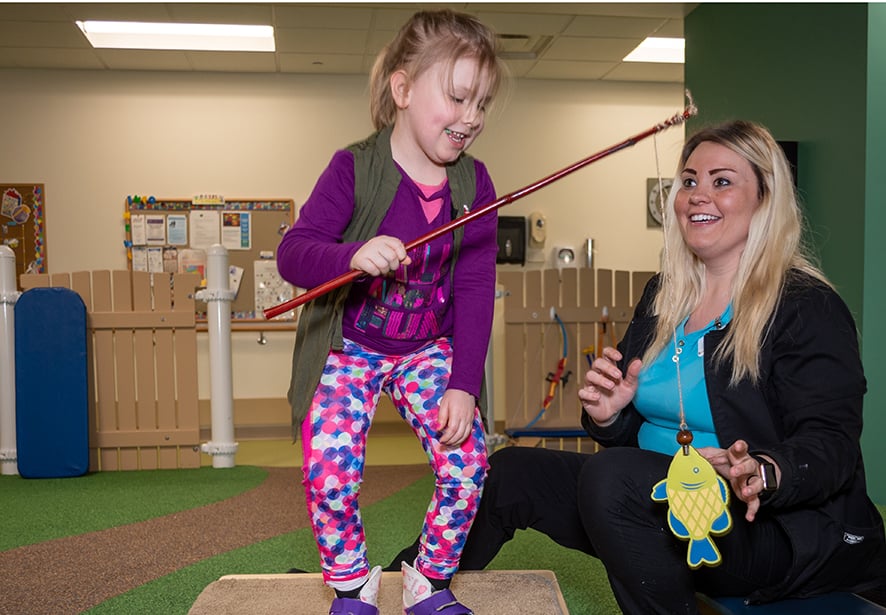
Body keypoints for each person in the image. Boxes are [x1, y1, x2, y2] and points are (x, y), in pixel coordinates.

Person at [389, 120, 886, 613]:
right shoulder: (665, 295)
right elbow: (630, 430)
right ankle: (396, 588)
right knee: (510, 471)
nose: (697, 195)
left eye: (722, 181)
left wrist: (765, 469)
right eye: (689, 180)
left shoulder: (805, 306)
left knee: (615, 477)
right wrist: (611, 416)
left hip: (768, 528)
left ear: (765, 199)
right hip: (658, 502)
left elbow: (831, 446)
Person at [276, 9, 505, 615]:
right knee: (330, 471)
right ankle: (353, 587)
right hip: (349, 347)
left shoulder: (475, 185)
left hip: (426, 349)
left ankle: (428, 580)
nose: (471, 117)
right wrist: (352, 254)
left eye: (482, 103)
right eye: (457, 97)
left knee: (468, 465)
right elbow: (293, 253)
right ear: (402, 90)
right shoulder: (353, 167)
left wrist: (463, 386)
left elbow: (477, 287)